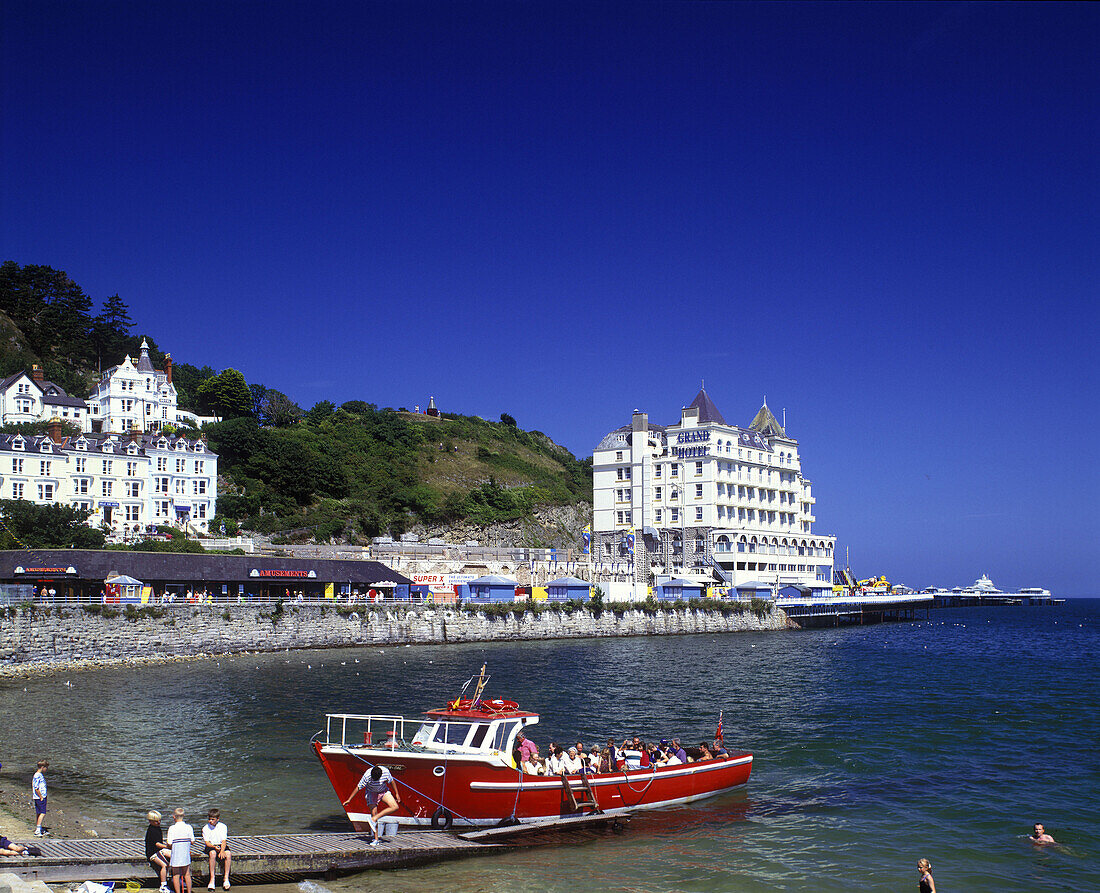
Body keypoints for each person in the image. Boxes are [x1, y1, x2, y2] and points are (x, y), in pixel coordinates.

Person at [342, 765, 401, 847]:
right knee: (374, 814)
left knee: (395, 807)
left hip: (383, 791)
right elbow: (358, 788)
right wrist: (349, 800)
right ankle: (376, 839)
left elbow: (392, 782)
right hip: (371, 793)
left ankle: (374, 818)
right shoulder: (367, 775)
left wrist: (397, 793)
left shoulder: (385, 772)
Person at [166, 808, 195, 893]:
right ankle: (189, 892)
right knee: (187, 874)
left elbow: (169, 843)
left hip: (176, 855)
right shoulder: (189, 827)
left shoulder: (172, 828)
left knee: (175, 875)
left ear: (174, 817)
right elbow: (192, 841)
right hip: (185, 854)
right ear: (183, 816)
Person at [201, 809, 231, 890]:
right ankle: (212, 879)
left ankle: (226, 878)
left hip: (220, 845)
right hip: (211, 845)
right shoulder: (205, 828)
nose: (210, 821)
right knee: (213, 854)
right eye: (209, 819)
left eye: (213, 819)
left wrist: (222, 851)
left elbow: (224, 841)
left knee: (228, 854)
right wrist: (214, 847)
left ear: (218, 819)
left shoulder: (223, 826)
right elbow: (207, 843)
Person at [146, 811, 172, 893]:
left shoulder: (158, 828)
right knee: (164, 865)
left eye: (159, 820)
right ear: (151, 821)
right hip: (152, 853)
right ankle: (163, 885)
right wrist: (167, 846)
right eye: (156, 821)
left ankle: (177, 877)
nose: (159, 822)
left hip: (159, 851)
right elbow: (157, 844)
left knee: (174, 856)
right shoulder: (151, 830)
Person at [32, 760, 48, 836]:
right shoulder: (37, 775)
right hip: (40, 797)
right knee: (43, 813)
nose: (46, 769)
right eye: (46, 768)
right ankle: (38, 830)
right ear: (42, 767)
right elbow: (36, 787)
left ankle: (39, 827)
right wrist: (41, 796)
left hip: (39, 796)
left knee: (39, 812)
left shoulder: (39, 775)